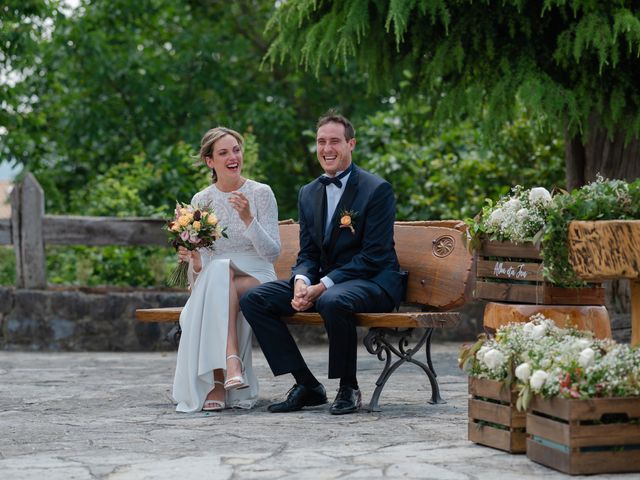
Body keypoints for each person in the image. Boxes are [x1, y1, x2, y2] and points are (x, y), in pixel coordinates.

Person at [240, 112, 404, 415]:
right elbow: (309, 253)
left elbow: (374, 255)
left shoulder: (376, 190)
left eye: (335, 142)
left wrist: (322, 285)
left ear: (351, 144)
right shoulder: (308, 192)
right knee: (254, 298)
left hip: (374, 280)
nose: (327, 149)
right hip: (325, 285)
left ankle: (348, 387)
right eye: (321, 142)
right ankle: (307, 385)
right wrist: (302, 280)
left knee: (332, 299)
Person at [172, 126, 281, 412]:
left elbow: (272, 253)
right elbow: (206, 263)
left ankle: (219, 381)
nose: (233, 157)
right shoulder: (201, 201)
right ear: (210, 161)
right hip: (223, 279)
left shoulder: (261, 193)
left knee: (219, 280)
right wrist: (192, 259)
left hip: (258, 276)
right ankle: (231, 365)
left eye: (236, 150)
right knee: (221, 275)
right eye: (223, 152)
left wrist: (248, 219)